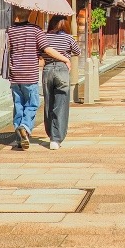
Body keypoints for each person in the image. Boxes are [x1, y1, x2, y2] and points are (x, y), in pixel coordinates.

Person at [5, 7, 43, 149]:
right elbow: (43, 47)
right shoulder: (36, 30)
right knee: (32, 104)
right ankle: (25, 127)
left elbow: (8, 49)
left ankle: (20, 137)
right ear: (30, 14)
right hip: (30, 73)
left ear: (16, 15)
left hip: (15, 74)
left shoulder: (9, 30)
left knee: (18, 105)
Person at [40, 16, 80, 150]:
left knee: (49, 103)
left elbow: (40, 51)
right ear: (65, 25)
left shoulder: (44, 37)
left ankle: (50, 132)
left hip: (47, 70)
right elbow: (77, 51)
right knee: (61, 104)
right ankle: (56, 139)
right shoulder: (68, 38)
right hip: (62, 70)